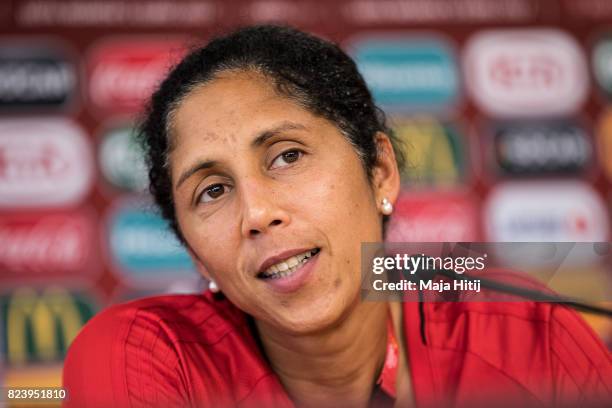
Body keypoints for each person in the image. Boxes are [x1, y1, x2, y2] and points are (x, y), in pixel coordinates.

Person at [63, 25, 611, 408]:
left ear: (380, 172)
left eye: (287, 156)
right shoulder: (145, 356)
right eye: (212, 191)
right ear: (191, 248)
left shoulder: (531, 334)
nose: (256, 213)